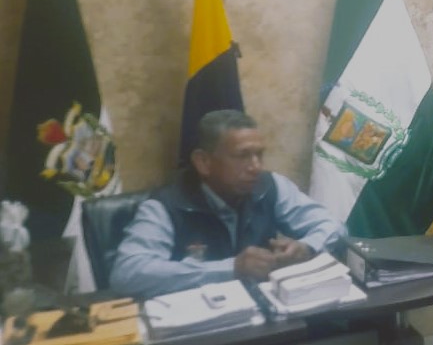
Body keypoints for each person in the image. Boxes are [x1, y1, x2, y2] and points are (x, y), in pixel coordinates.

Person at [110, 110, 344, 298]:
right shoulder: (166, 206)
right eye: (243, 156)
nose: (256, 167)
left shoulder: (269, 187)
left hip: (268, 321)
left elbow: (332, 225)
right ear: (203, 162)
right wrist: (231, 269)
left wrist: (307, 247)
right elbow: (127, 273)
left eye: (259, 155)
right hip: (201, 330)